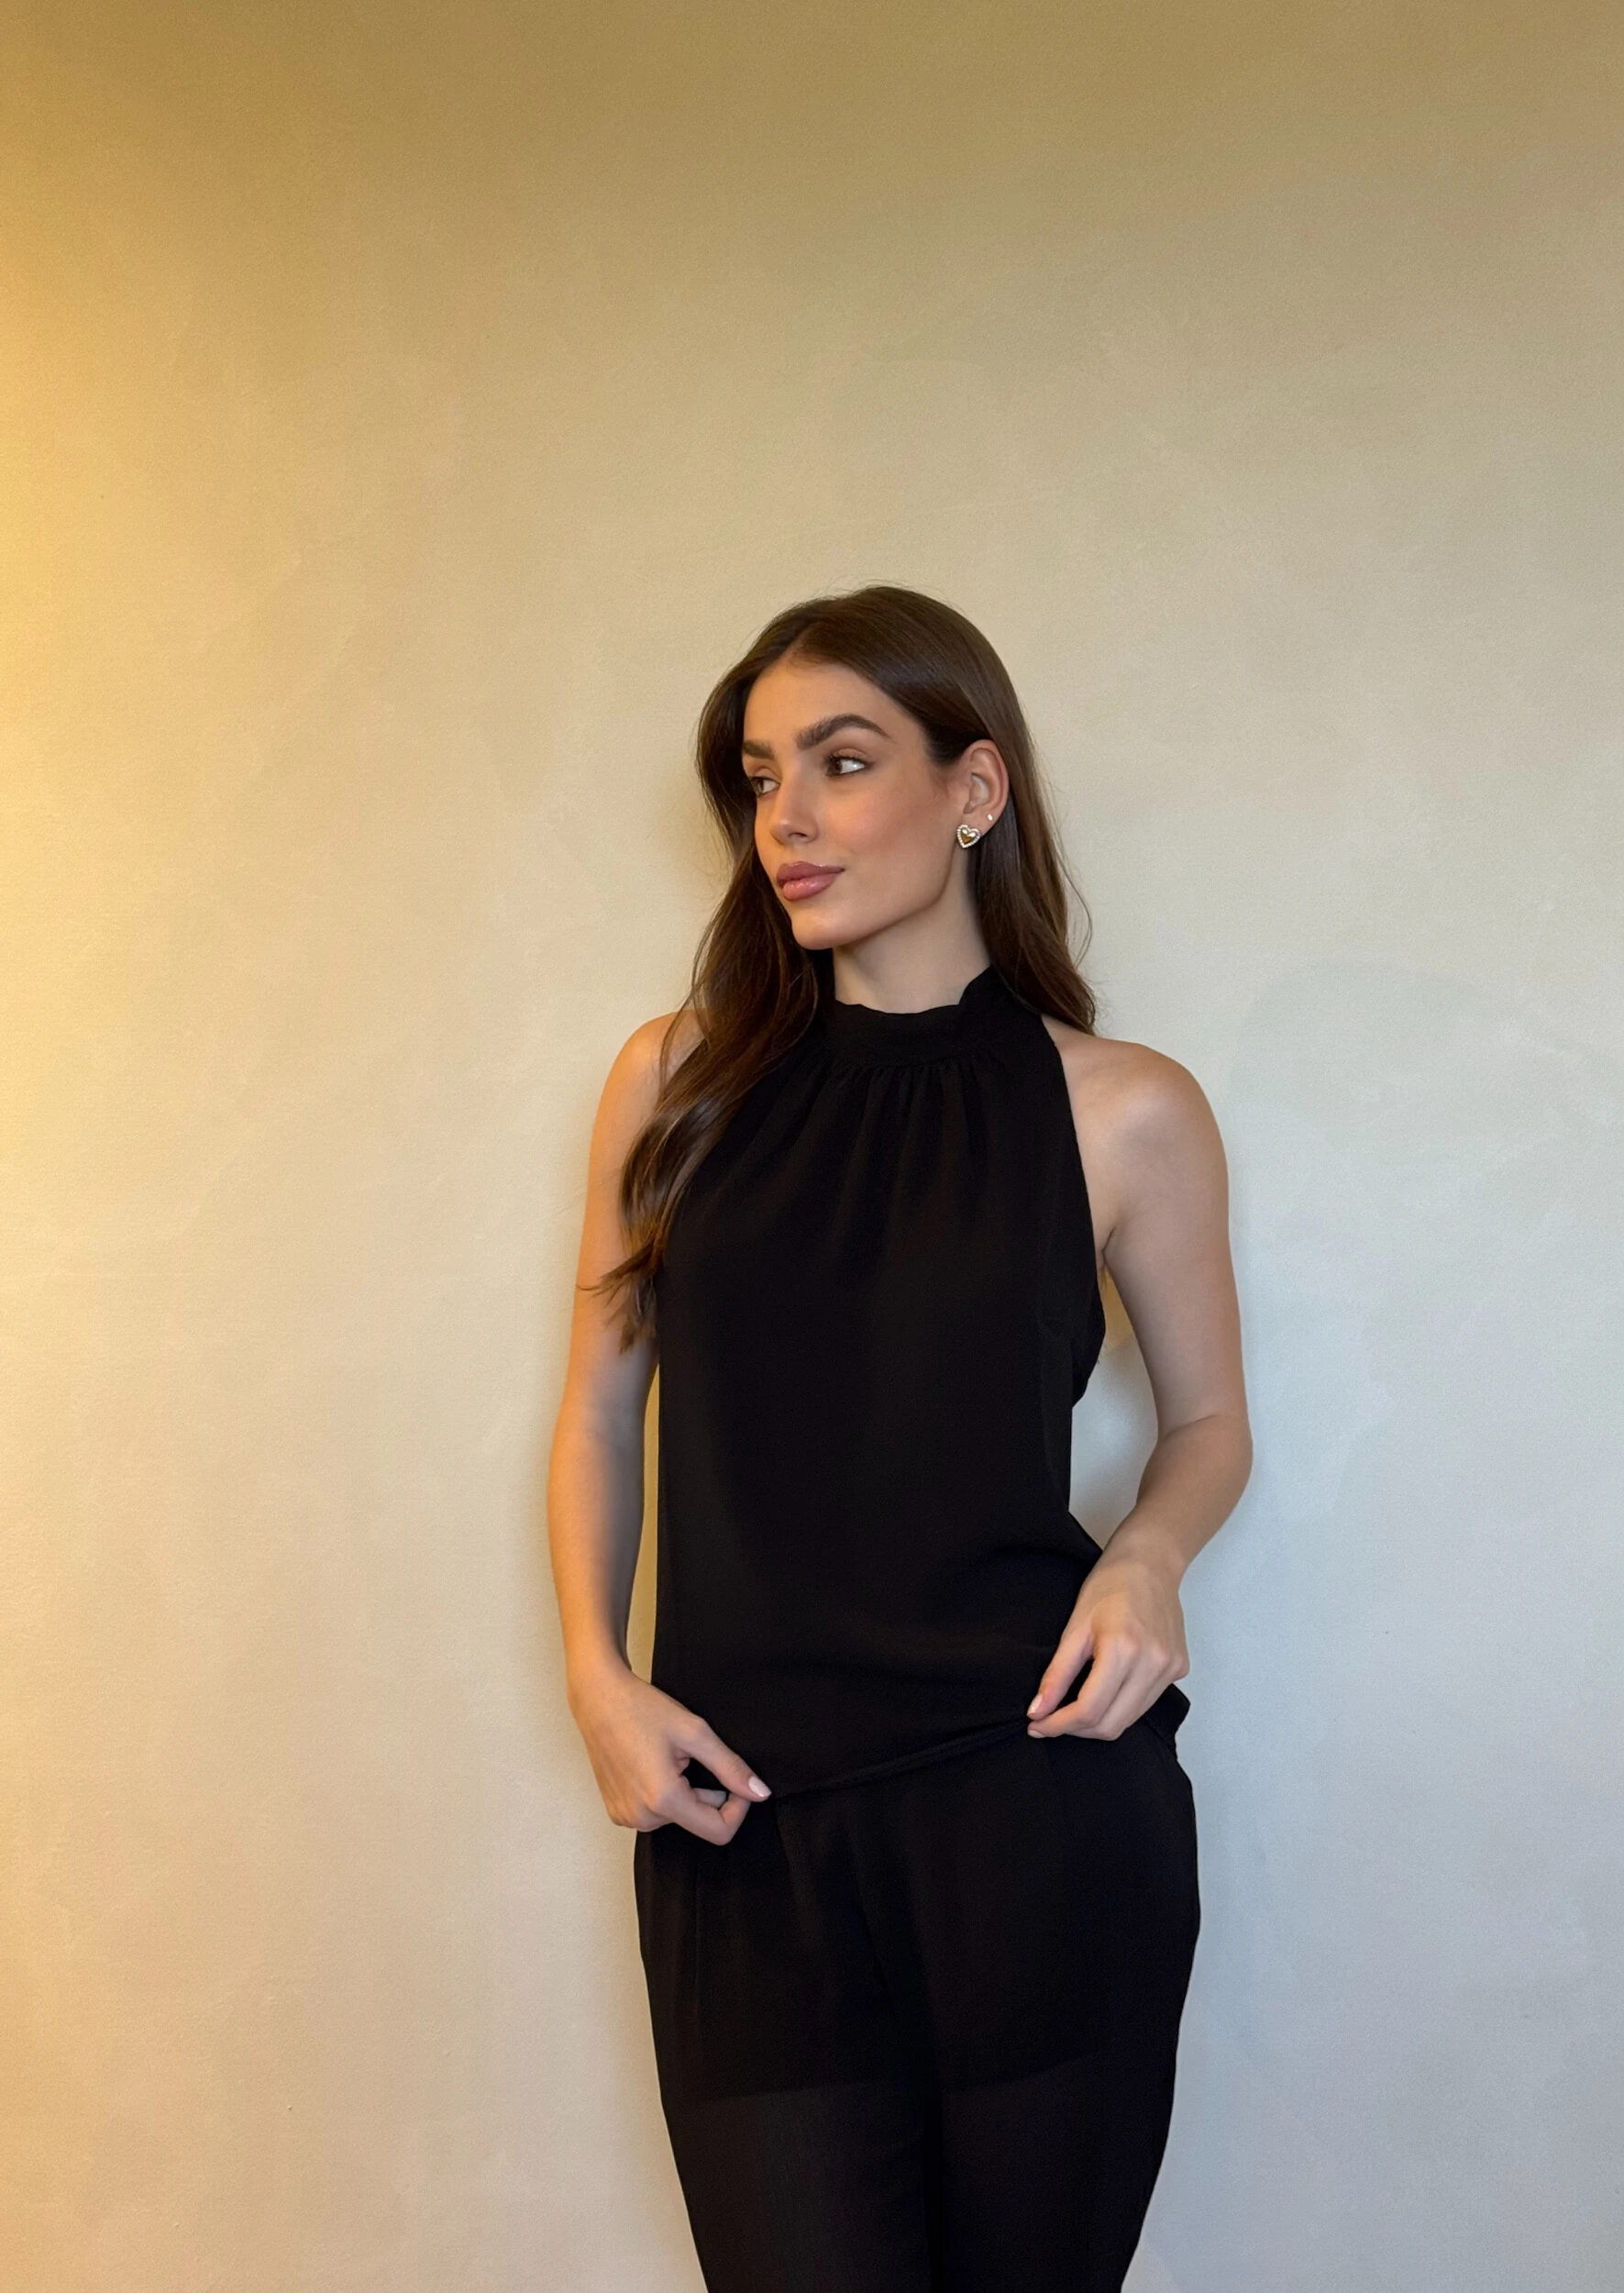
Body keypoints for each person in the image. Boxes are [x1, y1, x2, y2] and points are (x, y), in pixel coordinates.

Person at [547, 584, 1252, 2292]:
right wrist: (595, 1675)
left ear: (973, 787)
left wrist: (1147, 1558)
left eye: (842, 762)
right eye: (759, 776)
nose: (784, 817)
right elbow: (599, 1408)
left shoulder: (1121, 1108)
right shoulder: (675, 1084)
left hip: (1036, 1806)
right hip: (745, 1832)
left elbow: (1209, 1422)